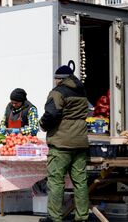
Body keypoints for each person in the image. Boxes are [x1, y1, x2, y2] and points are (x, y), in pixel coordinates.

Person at [39, 64, 90, 222]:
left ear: (59, 80)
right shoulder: (82, 91)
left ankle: (55, 217)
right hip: (80, 142)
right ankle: (82, 217)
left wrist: (42, 125)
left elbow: (51, 114)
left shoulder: (57, 92)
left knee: (56, 181)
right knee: (80, 182)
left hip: (61, 143)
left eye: (55, 78)